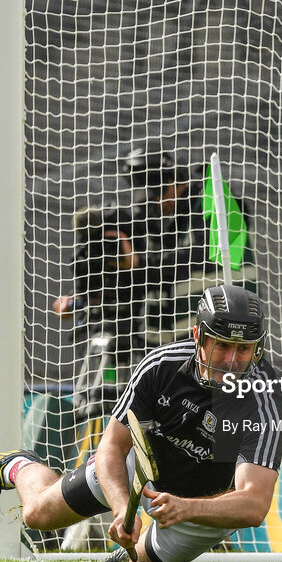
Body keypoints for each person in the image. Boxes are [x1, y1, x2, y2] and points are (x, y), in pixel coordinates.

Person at [0, 284, 282, 562]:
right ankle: (17, 466)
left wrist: (187, 508)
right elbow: (111, 448)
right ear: (199, 337)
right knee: (37, 514)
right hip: (144, 466)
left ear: (259, 348)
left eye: (243, 349)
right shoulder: (160, 367)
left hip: (207, 505)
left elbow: (253, 504)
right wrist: (122, 511)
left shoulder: (262, 399)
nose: (231, 361)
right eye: (222, 345)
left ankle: (150, 555)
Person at [53, 149, 211, 416]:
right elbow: (124, 266)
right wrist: (80, 296)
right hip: (157, 336)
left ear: (175, 180)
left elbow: (199, 257)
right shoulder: (152, 219)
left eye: (157, 193)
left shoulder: (209, 204)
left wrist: (137, 263)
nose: (154, 204)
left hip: (201, 344)